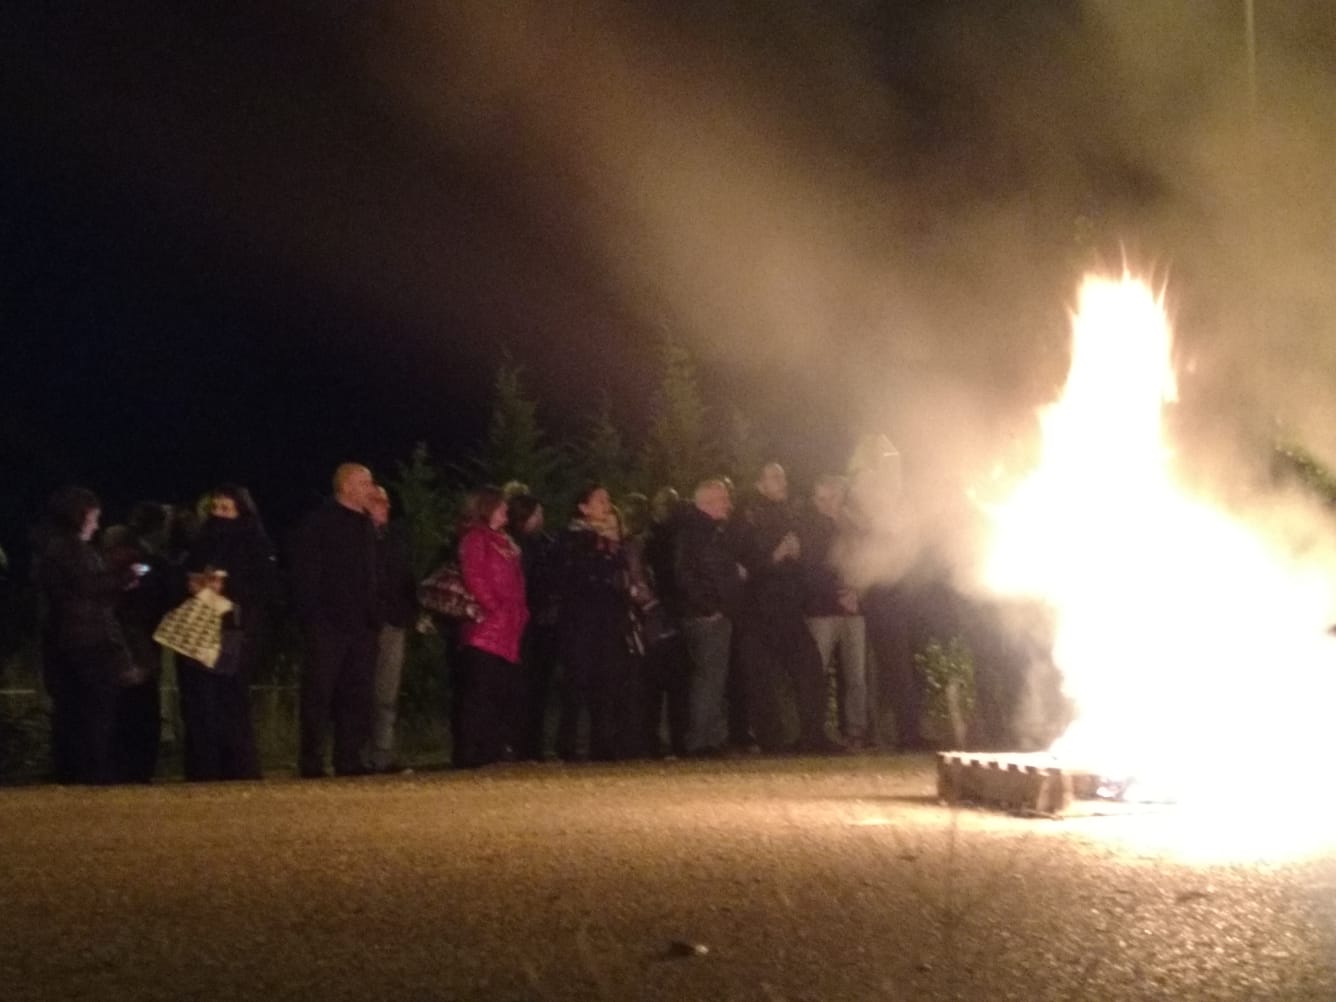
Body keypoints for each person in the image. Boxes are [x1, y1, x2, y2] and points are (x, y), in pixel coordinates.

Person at [31, 487, 144, 784]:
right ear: (80, 516)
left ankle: (73, 772)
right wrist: (126, 577)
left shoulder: (53, 548)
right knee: (95, 709)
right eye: (93, 517)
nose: (96, 524)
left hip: (66, 639)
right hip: (88, 640)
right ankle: (93, 773)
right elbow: (88, 588)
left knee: (73, 709)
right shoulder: (72, 550)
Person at [177, 484, 279, 781]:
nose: (220, 516)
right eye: (216, 509)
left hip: (234, 631)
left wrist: (229, 588)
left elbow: (264, 589)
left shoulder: (255, 545)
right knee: (201, 702)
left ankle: (238, 768)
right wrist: (193, 584)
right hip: (199, 628)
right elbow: (185, 573)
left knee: (231, 700)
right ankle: (204, 769)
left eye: (226, 509)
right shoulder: (202, 541)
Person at [734, 462, 838, 754]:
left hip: (788, 608)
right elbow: (743, 565)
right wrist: (775, 556)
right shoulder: (748, 517)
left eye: (783, 475)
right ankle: (771, 741)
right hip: (758, 610)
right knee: (761, 679)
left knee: (810, 670)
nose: (782, 481)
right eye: (774, 477)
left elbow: (805, 561)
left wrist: (798, 556)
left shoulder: (789, 515)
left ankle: (812, 735)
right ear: (760, 485)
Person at [291, 463, 380, 778]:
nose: (371, 487)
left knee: (356, 693)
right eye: (365, 481)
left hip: (362, 625)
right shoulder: (319, 523)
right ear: (346, 486)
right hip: (327, 624)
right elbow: (306, 573)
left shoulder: (366, 524)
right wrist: (313, 616)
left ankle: (349, 758)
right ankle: (312, 761)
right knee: (319, 693)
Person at [554, 484, 635, 762]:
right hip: (581, 622)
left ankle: (603, 742)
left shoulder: (614, 541)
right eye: (600, 500)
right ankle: (571, 744)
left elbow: (621, 578)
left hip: (609, 620)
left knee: (607, 681)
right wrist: (602, 550)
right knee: (578, 682)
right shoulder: (572, 538)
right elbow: (576, 577)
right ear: (583, 508)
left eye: (608, 499)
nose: (608, 505)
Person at [101, 502, 177, 782]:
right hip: (138, 642)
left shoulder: (109, 558)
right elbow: (161, 595)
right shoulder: (145, 562)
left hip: (116, 643)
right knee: (142, 710)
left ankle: (118, 769)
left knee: (121, 709)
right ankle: (138, 772)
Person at [453, 485, 528, 768]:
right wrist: (494, 608)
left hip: (508, 627)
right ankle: (470, 752)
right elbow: (474, 576)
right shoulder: (476, 538)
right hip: (485, 629)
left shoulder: (505, 541)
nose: (506, 510)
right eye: (501, 506)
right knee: (479, 692)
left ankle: (492, 747)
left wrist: (519, 612)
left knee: (501, 691)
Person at [674, 478, 745, 757]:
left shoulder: (706, 531)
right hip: (707, 616)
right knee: (709, 678)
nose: (729, 503)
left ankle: (711, 738)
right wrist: (710, 607)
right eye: (723, 498)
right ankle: (700, 741)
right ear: (707, 503)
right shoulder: (698, 533)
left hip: (711, 613)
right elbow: (686, 576)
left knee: (713, 678)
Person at [800, 475, 869, 750]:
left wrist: (858, 595)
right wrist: (839, 596)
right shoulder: (811, 527)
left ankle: (856, 731)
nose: (825, 504)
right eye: (820, 499)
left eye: (830, 497)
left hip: (853, 609)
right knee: (818, 672)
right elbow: (811, 571)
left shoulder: (854, 525)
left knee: (856, 675)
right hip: (822, 610)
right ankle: (815, 732)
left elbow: (870, 563)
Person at [363, 485, 417, 773]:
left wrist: (409, 612)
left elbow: (405, 578)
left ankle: (382, 753)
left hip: (392, 622)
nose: (382, 505)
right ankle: (357, 754)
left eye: (385, 500)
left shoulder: (397, 538)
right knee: (360, 691)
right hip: (364, 624)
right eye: (375, 500)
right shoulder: (358, 537)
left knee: (386, 692)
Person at [506, 492, 559, 761]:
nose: (541, 518)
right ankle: (522, 743)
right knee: (524, 685)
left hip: (542, 623)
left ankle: (532, 743)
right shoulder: (519, 546)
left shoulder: (542, 543)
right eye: (536, 513)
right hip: (526, 622)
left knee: (539, 685)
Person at [639, 486, 690, 758]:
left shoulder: (669, 538)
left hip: (670, 614)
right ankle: (659, 741)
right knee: (661, 682)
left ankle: (669, 740)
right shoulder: (652, 540)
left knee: (672, 682)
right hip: (658, 615)